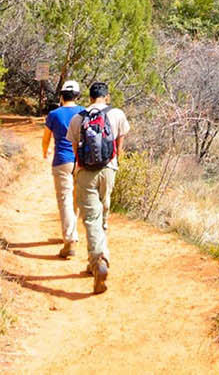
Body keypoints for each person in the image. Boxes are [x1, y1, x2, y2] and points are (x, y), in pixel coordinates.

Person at [67, 80, 130, 293]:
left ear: (90, 98)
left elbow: (75, 149)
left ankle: (97, 261)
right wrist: (116, 162)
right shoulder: (117, 114)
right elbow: (119, 144)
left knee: (91, 218)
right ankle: (98, 257)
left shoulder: (78, 119)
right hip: (109, 170)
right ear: (107, 96)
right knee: (103, 213)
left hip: (86, 173)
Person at [40, 79, 84, 259]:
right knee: (76, 199)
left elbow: (46, 137)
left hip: (62, 161)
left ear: (61, 96)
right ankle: (72, 233)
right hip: (81, 161)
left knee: (64, 199)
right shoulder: (83, 112)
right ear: (77, 96)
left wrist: (45, 151)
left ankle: (70, 239)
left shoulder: (54, 114)